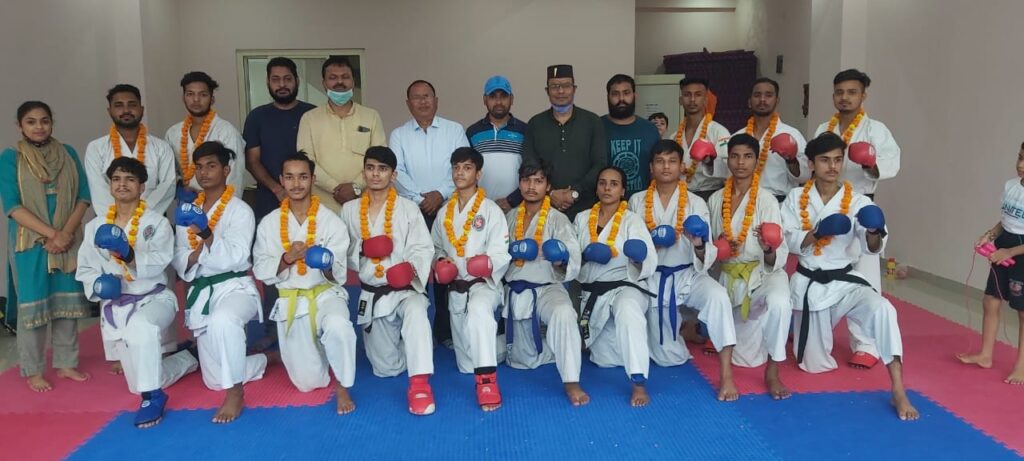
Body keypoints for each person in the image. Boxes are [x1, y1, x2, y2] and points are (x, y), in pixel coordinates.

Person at [781, 132, 917, 420]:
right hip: (810, 284)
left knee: (884, 309)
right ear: (811, 164)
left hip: (845, 281)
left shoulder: (858, 202)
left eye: (837, 160)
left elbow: (873, 248)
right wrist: (817, 232)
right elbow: (786, 240)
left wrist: (873, 231)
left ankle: (898, 388)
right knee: (813, 366)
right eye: (824, 160)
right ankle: (800, 333)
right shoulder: (795, 198)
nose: (832, 166)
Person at [75, 157, 199, 428]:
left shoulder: (157, 223)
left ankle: (153, 397)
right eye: (117, 179)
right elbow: (84, 267)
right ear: (110, 185)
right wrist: (98, 284)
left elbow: (162, 260)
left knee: (140, 328)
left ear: (142, 187)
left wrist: (129, 254)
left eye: (130, 179)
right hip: (117, 305)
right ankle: (189, 358)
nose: (122, 184)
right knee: (139, 380)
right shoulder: (95, 227)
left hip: (154, 298)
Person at [625, 140, 737, 401]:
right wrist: (651, 242)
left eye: (672, 161)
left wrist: (698, 243)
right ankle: (684, 329)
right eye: (660, 161)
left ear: (682, 166)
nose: (666, 167)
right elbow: (631, 248)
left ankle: (726, 375)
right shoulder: (636, 201)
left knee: (718, 296)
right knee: (668, 358)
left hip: (689, 275)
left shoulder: (696, 202)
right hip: (653, 278)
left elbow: (706, 251)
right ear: (651, 167)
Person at [253, 152, 357, 414]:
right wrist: (287, 259)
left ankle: (343, 386)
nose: (296, 184)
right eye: (290, 177)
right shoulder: (269, 223)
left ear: (313, 179)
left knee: (339, 326)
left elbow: (339, 275)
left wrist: (326, 263)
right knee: (308, 384)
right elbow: (261, 269)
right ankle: (288, 354)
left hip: (326, 294)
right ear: (281, 180)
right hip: (292, 299)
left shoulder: (331, 221)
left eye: (302, 177)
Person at [172, 141, 268, 423]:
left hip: (235, 287)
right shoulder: (187, 210)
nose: (204, 173)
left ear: (226, 170)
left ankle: (236, 393)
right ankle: (264, 360)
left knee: (223, 321)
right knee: (214, 380)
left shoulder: (240, 210)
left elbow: (237, 256)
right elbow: (179, 255)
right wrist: (194, 255)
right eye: (199, 167)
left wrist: (205, 234)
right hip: (203, 290)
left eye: (211, 166)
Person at [813, 69, 901, 369]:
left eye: (852, 92)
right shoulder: (824, 128)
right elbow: (812, 163)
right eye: (840, 92)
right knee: (820, 267)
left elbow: (891, 162)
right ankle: (814, 328)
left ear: (863, 95)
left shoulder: (876, 130)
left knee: (864, 274)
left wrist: (870, 164)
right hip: (827, 204)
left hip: (860, 203)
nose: (845, 97)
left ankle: (866, 343)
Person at [1, 101, 92, 392]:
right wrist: (53, 235)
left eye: (44, 120)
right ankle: (33, 370)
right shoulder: (11, 158)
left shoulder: (68, 153)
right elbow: (12, 206)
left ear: (52, 122)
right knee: (33, 305)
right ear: (20, 126)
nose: (39, 127)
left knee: (67, 303)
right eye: (31, 121)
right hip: (29, 243)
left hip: (67, 239)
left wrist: (66, 234)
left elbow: (84, 196)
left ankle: (66, 363)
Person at [340, 146, 436, 415]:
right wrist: (361, 248)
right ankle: (414, 345)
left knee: (417, 311)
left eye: (382, 169)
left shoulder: (408, 208)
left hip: (405, 290)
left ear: (393, 175)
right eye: (370, 168)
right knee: (386, 368)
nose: (376, 174)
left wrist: (411, 269)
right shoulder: (349, 210)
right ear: (363, 172)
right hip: (373, 293)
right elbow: (339, 249)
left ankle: (420, 384)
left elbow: (423, 247)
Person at [707, 134, 792, 399]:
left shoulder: (766, 200)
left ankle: (773, 371)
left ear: (756, 161)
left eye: (747, 156)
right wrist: (718, 245)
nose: (740, 162)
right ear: (728, 160)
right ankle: (726, 375)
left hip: (764, 273)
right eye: (735, 156)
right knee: (743, 357)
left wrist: (768, 249)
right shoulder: (716, 199)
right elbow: (709, 246)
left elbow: (778, 247)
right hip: (731, 275)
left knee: (780, 302)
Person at [429, 147, 510, 411]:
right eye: (456, 167)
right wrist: (440, 262)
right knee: (466, 364)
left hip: (483, 286)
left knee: (478, 311)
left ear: (478, 173)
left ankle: (487, 381)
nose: (460, 173)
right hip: (456, 289)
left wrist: (487, 263)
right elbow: (436, 247)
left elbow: (501, 252)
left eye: (467, 167)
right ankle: (507, 345)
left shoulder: (491, 210)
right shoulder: (444, 212)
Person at [244, 57, 316, 350]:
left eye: (287, 78)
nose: (282, 84)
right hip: (270, 200)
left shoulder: (312, 114)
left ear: (297, 80)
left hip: (309, 201)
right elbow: (252, 160)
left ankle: (314, 320)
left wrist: (300, 188)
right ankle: (274, 329)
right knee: (273, 261)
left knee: (312, 256)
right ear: (268, 82)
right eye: (276, 79)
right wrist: (277, 188)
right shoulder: (257, 117)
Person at [503, 160, 589, 406]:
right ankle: (552, 347)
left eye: (538, 181)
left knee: (564, 313)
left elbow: (573, 255)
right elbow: (496, 255)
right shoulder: (509, 217)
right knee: (521, 361)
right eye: (527, 180)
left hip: (549, 288)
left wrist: (561, 260)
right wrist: (510, 252)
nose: (532, 186)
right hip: (518, 290)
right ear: (520, 184)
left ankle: (571, 381)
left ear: (548, 186)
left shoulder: (558, 219)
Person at [391, 79, 469, 348]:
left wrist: (440, 194)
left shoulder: (454, 130)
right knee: (415, 268)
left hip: (449, 209)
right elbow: (397, 171)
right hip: (413, 212)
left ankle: (445, 330)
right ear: (408, 103)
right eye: (416, 97)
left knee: (447, 269)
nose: (423, 101)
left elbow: (462, 165)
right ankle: (415, 328)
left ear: (436, 100)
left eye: (427, 96)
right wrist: (420, 199)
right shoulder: (399, 135)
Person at [575, 166, 657, 406]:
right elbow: (571, 258)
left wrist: (638, 257)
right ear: (596, 188)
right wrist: (585, 255)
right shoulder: (582, 218)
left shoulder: (632, 220)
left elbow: (649, 258)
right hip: (594, 291)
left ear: (622, 190)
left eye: (614, 184)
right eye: (602, 183)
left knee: (628, 310)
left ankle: (638, 383)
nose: (607, 188)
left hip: (626, 285)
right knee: (604, 360)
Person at [958, 142, 1024, 385]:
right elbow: (1006, 220)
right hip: (1004, 245)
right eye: (1020, 157)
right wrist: (990, 235)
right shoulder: (1011, 185)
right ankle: (985, 355)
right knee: (990, 300)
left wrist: (1010, 252)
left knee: (1022, 311)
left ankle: (1021, 366)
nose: (1020, 164)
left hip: (1019, 251)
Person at [296, 56, 386, 213]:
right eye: (333, 78)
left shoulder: (371, 116)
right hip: (323, 205)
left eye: (345, 77)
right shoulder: (309, 118)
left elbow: (380, 157)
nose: (340, 82)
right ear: (324, 83)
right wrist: (335, 188)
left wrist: (356, 187)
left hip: (365, 202)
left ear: (353, 81)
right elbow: (306, 161)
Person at [522, 64, 607, 220]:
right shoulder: (535, 123)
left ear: (574, 89)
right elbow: (530, 163)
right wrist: (551, 192)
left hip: (587, 210)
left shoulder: (592, 121)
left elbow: (600, 163)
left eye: (566, 86)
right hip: (545, 209)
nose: (560, 91)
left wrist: (575, 192)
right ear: (547, 91)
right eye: (555, 86)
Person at [84, 84, 177, 215]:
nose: (126, 110)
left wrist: (142, 216)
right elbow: (98, 189)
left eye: (132, 105)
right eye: (119, 105)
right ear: (109, 111)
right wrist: (119, 218)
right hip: (110, 219)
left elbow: (168, 186)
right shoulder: (96, 148)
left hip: (153, 218)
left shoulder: (161, 147)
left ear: (141, 109)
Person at [166, 71, 245, 201]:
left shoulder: (227, 131)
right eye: (190, 94)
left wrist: (226, 206)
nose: (196, 100)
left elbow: (235, 176)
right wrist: (181, 187)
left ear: (212, 99)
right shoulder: (173, 133)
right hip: (186, 204)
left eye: (203, 94)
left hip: (220, 204)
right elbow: (170, 173)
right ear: (183, 98)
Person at [730, 78, 808, 202]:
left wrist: (791, 160)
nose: (762, 99)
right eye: (757, 95)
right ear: (749, 102)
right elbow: (726, 173)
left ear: (777, 101)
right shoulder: (737, 136)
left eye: (768, 95)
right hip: (743, 201)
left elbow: (805, 177)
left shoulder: (792, 134)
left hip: (779, 202)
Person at [466, 75, 526, 212]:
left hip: (517, 208)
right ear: (484, 100)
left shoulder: (524, 130)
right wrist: (480, 202)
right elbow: (467, 171)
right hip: (480, 208)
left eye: (503, 96)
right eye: (493, 96)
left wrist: (512, 200)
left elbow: (530, 170)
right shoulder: (473, 132)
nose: (498, 102)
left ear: (511, 99)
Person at [668, 77, 731, 201]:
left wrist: (709, 162)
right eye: (687, 95)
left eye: (698, 95)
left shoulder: (719, 132)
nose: (692, 99)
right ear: (680, 100)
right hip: (681, 195)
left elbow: (730, 167)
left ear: (706, 100)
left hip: (710, 193)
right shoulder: (674, 137)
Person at [602, 74, 661, 198]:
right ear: (608, 97)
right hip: (605, 203)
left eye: (626, 93)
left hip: (644, 202)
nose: (621, 99)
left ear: (635, 95)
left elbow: (657, 169)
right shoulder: (596, 127)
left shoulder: (650, 129)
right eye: (615, 94)